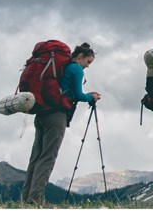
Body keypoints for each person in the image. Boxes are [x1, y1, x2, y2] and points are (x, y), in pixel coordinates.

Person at [21, 42, 102, 205]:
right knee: (48, 157)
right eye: (88, 62)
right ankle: (35, 201)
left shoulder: (62, 67)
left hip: (42, 112)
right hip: (57, 115)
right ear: (80, 56)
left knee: (36, 157)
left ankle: (25, 199)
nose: (88, 66)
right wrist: (91, 97)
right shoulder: (76, 69)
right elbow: (79, 95)